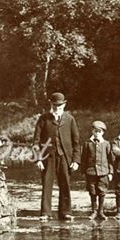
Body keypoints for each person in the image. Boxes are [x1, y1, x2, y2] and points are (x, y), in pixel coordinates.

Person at [33, 92, 80, 221]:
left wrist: (76, 160)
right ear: (51, 104)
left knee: (65, 183)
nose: (57, 108)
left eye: (60, 105)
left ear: (64, 105)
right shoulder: (43, 119)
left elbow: (76, 142)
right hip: (47, 157)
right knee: (47, 184)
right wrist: (38, 159)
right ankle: (45, 212)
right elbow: (36, 141)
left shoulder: (70, 119)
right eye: (55, 105)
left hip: (65, 156)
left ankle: (66, 212)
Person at [80, 120, 113, 221]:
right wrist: (83, 172)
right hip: (91, 172)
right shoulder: (87, 144)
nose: (97, 133)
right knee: (92, 191)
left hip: (103, 172)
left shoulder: (106, 144)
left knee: (102, 191)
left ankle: (101, 211)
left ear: (103, 132)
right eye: (95, 131)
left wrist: (111, 172)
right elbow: (83, 159)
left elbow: (110, 159)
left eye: (99, 131)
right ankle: (94, 211)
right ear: (92, 132)